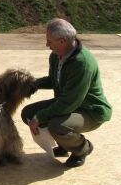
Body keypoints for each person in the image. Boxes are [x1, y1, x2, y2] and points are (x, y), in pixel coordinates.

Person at [21, 18, 112, 168]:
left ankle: (82, 149)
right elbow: (53, 80)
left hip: (90, 110)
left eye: (49, 41)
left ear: (62, 41)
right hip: (70, 103)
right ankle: (64, 146)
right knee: (28, 113)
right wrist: (32, 84)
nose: (47, 45)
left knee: (57, 126)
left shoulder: (82, 63)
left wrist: (40, 117)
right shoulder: (56, 55)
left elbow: (69, 102)